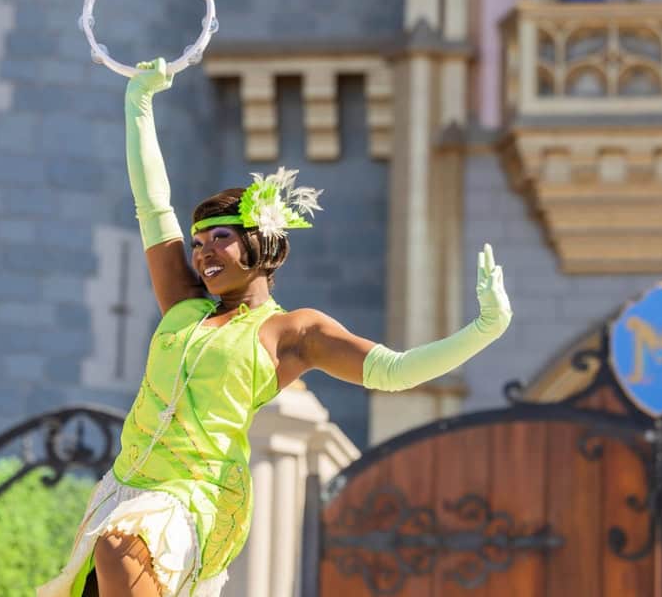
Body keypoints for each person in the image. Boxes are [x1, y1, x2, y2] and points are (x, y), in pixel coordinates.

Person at [39, 59, 512, 597]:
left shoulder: (291, 331)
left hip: (198, 494)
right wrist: (138, 103)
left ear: (258, 243)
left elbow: (394, 372)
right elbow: (153, 204)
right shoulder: (184, 304)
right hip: (125, 485)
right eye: (197, 244)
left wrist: (484, 329)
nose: (202, 253)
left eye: (219, 237)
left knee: (118, 547)